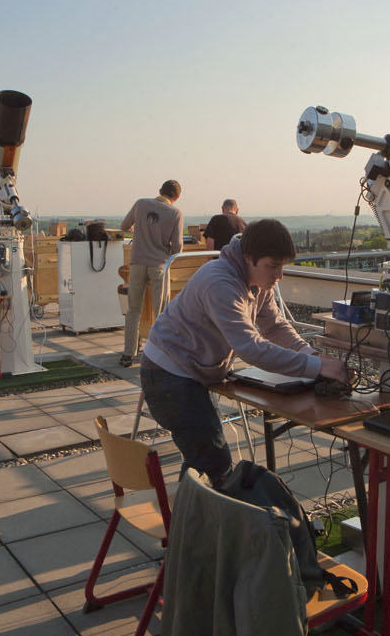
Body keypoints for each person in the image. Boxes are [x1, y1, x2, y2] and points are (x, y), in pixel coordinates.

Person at [140, 219, 348, 482]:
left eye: (282, 266)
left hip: (184, 373)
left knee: (205, 463)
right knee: (212, 464)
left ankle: (191, 518)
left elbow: (273, 326)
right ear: (248, 257)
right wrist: (318, 368)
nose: (279, 275)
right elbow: (251, 348)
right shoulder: (220, 283)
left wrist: (312, 356)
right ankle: (192, 520)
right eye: (273, 266)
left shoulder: (256, 281)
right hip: (168, 376)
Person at [120, 179, 184, 367]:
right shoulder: (176, 213)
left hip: (137, 262)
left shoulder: (141, 204)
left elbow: (124, 226)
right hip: (159, 265)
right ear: (176, 197)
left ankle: (128, 354)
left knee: (133, 310)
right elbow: (178, 247)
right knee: (161, 312)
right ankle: (158, 355)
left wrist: (137, 230)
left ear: (159, 190)